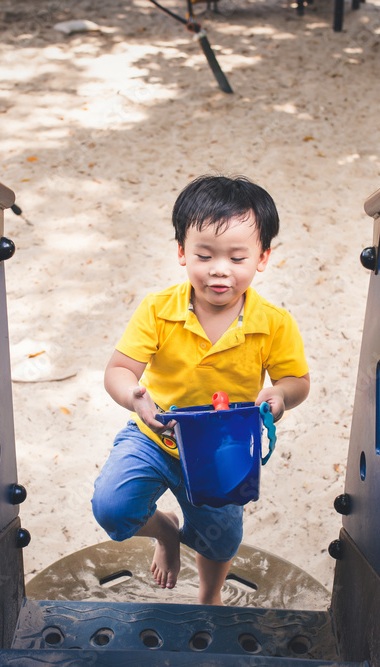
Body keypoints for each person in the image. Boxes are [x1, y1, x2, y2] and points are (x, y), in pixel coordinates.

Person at [91, 175, 310, 605]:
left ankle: (209, 598)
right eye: (204, 254)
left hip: (223, 449)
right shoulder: (158, 310)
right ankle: (166, 531)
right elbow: (119, 369)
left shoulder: (274, 323)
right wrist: (134, 395)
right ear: (181, 252)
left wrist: (280, 396)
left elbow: (296, 381)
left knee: (220, 537)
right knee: (112, 506)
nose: (219, 269)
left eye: (237, 257)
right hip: (156, 434)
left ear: (263, 258)